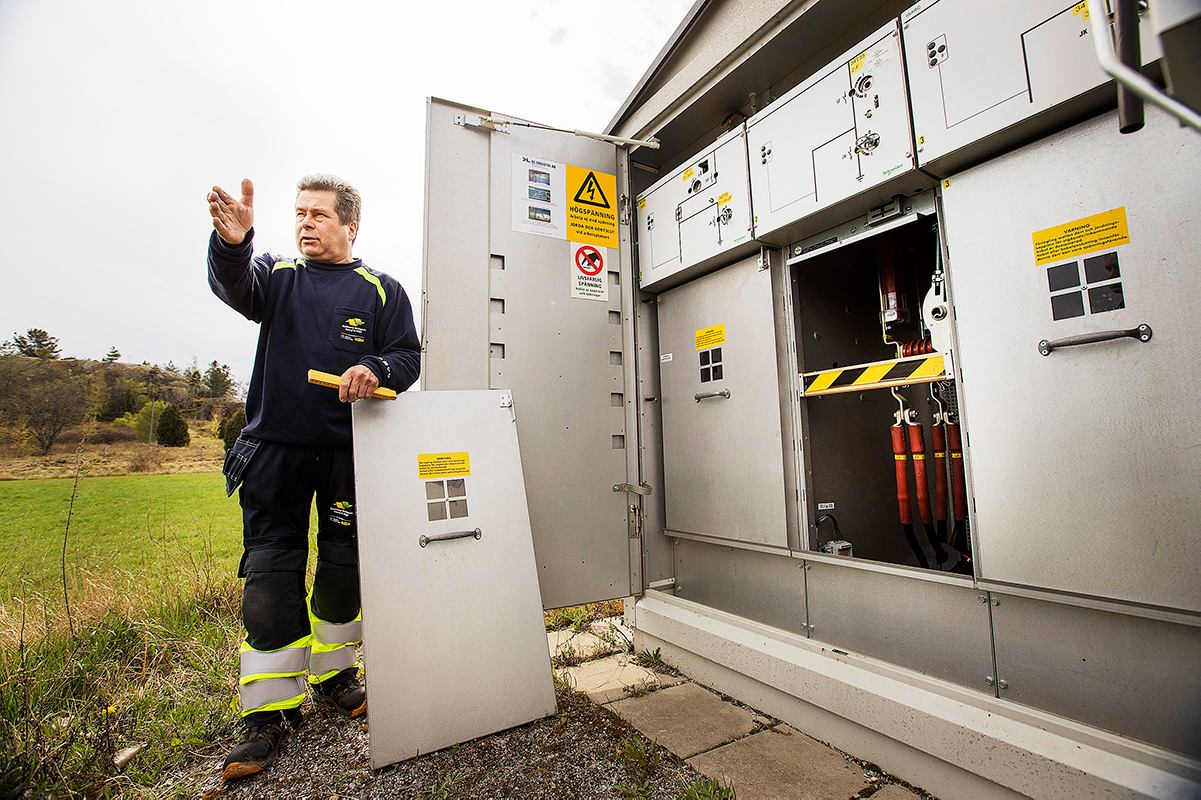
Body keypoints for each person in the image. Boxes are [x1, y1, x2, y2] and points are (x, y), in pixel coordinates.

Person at [207, 174, 421, 780]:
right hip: (273, 452)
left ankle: (335, 674)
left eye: (319, 215)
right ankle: (268, 715)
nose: (305, 223)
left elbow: (407, 357)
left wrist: (373, 367)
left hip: (347, 454)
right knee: (271, 573)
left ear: (350, 226)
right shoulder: (275, 277)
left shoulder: (382, 291)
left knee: (341, 568)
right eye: (299, 213)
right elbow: (234, 283)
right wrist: (233, 244)